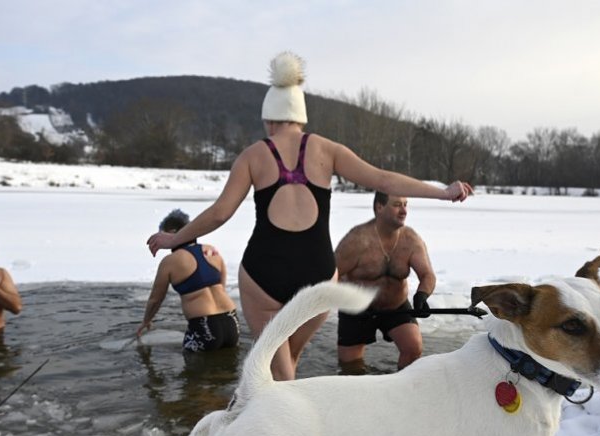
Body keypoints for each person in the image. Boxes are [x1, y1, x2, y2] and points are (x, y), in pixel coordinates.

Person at [146, 51, 473, 380]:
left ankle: (279, 408)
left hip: (264, 273)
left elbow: (220, 213)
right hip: (317, 273)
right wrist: (443, 192)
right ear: (300, 117)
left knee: (278, 376)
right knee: (290, 361)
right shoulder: (328, 150)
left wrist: (175, 239)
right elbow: (384, 180)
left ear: (269, 118)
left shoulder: (253, 155)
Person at [335, 192, 435, 371]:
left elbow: (427, 275)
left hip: (395, 306)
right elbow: (331, 275)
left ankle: (402, 385)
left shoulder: (411, 239)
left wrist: (422, 295)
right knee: (351, 368)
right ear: (379, 207)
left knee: (413, 348)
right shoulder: (357, 239)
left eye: (405, 204)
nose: (404, 211)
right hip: (357, 309)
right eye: (397, 205)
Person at [137, 209, 240, 352]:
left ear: (172, 233)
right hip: (231, 320)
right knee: (229, 363)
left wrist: (146, 321)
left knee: (192, 364)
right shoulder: (212, 251)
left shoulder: (170, 261)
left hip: (204, 324)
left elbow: (155, 299)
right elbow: (222, 287)